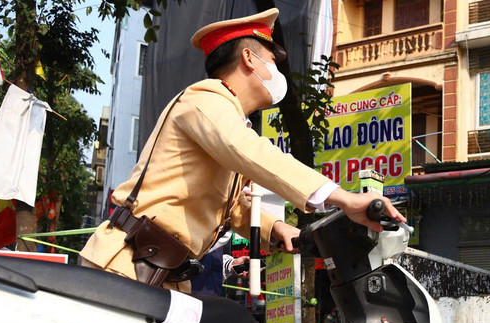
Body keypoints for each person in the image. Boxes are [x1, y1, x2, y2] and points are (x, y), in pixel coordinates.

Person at [80, 8, 403, 291]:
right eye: (273, 62)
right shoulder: (204, 99)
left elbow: (232, 206)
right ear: (249, 58)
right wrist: (344, 198)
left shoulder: (227, 119)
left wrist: (275, 228)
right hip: (125, 265)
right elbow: (252, 152)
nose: (277, 73)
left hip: (162, 273)